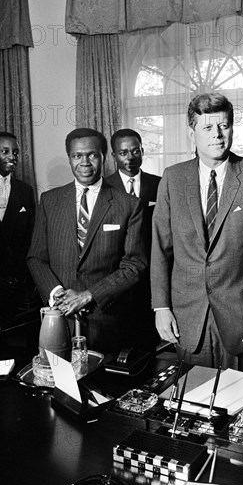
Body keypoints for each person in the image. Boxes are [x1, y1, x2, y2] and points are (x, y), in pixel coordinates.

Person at [151, 93, 243, 370]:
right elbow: (161, 249)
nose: (217, 135)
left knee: (240, 403)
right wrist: (161, 308)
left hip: (241, 318)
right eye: (207, 127)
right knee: (194, 400)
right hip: (188, 318)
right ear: (192, 132)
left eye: (224, 126)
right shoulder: (172, 178)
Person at [27, 128, 147, 355]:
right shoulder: (50, 200)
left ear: (104, 156)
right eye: (77, 156)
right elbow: (36, 258)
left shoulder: (128, 204)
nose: (85, 162)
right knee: (59, 387)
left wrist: (88, 296)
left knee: (105, 389)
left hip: (106, 322)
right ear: (70, 158)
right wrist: (58, 295)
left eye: (92, 155)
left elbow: (134, 266)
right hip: (58, 320)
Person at [105, 128, 161, 351]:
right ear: (113, 156)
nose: (130, 158)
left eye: (135, 151)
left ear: (142, 151)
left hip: (151, 272)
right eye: (123, 153)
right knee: (117, 341)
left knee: (148, 340)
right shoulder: (104, 187)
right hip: (116, 274)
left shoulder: (160, 184)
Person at [0, 132, 36, 334]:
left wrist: (21, 278)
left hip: (17, 290)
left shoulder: (25, 191)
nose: (12, 157)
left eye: (15, 152)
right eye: (5, 151)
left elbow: (30, 238)